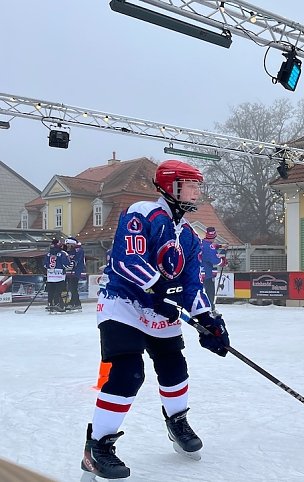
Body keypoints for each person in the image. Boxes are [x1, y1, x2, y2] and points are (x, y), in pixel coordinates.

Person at [81, 160, 230, 480]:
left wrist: (209, 320)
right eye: (190, 185)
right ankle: (98, 446)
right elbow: (126, 260)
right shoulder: (142, 212)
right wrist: (158, 290)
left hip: (157, 310)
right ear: (170, 186)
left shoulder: (189, 235)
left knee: (174, 366)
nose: (196, 191)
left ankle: (177, 423)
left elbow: (191, 284)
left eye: (197, 185)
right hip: (122, 305)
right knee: (128, 372)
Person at [200, 227, 227, 315]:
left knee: (202, 291)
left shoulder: (203, 243)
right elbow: (214, 259)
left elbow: (212, 246)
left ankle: (203, 309)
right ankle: (210, 310)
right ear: (214, 236)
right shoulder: (209, 247)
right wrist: (222, 262)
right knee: (210, 292)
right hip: (207, 273)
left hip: (200, 271)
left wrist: (220, 246)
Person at [43, 238, 70, 312]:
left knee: (51, 291)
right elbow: (67, 264)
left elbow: (45, 264)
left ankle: (50, 304)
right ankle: (58, 304)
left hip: (50, 275)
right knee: (58, 291)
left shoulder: (48, 254)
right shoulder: (63, 253)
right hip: (60, 275)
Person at [64, 237, 86, 311]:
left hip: (76, 271)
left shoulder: (79, 250)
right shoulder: (70, 251)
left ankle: (75, 303)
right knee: (71, 288)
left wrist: (73, 263)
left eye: (68, 244)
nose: (67, 246)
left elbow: (77, 260)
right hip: (70, 272)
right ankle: (75, 302)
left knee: (73, 288)